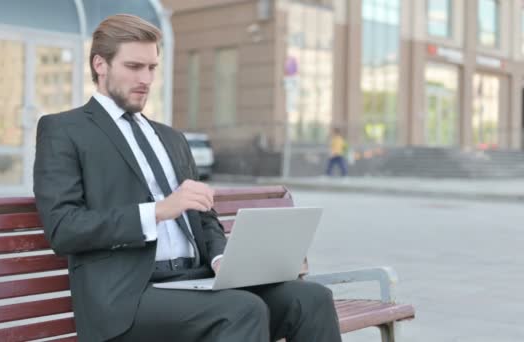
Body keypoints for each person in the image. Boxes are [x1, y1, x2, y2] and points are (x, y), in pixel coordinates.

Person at [34, 14, 342, 342]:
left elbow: (204, 219)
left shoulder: (171, 138)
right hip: (128, 298)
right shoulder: (64, 130)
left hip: (195, 281)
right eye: (134, 67)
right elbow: (63, 228)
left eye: (152, 68)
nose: (146, 79)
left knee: (310, 300)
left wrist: (223, 259)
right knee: (240, 310)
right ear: (100, 65)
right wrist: (157, 211)